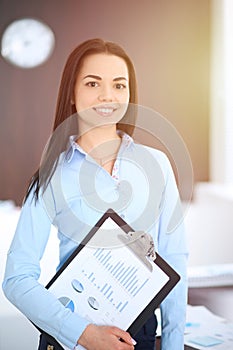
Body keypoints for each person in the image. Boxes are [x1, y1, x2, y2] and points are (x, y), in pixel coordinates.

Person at [2, 38, 188, 350]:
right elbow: (16, 280)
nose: (107, 96)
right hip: (71, 339)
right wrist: (83, 333)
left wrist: (173, 344)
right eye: (92, 83)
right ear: (72, 94)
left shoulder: (156, 164)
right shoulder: (52, 174)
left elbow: (175, 261)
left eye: (119, 85)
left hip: (138, 338)